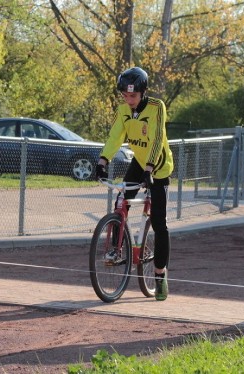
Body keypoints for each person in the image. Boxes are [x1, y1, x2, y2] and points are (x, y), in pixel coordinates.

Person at [96, 67, 174, 301]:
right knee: (122, 200)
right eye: (125, 96)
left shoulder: (156, 107)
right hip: (139, 162)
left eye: (133, 96)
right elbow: (115, 136)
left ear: (142, 93)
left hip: (158, 165)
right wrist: (102, 160)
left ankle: (160, 275)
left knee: (159, 223)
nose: (129, 101)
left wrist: (150, 169)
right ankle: (116, 248)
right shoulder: (123, 111)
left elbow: (157, 138)